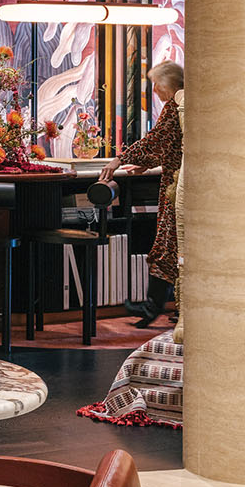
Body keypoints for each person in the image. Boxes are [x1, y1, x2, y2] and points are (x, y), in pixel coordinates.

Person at [99, 61, 183, 327]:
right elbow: (171, 143)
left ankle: (152, 307)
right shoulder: (183, 104)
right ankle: (160, 307)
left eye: (157, 84)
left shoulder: (174, 106)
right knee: (170, 248)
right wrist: (148, 163)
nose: (155, 89)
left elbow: (157, 138)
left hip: (177, 188)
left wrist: (119, 159)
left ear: (167, 85)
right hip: (174, 182)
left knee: (167, 246)